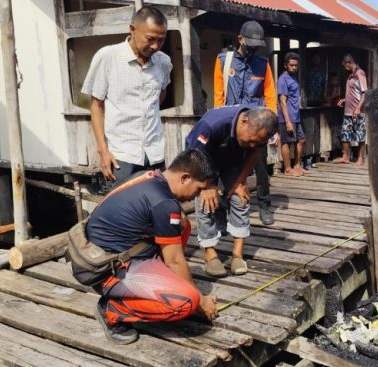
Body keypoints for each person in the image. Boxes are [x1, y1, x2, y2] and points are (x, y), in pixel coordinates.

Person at [85, 149, 219, 345]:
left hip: (111, 253)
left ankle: (163, 284)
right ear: (184, 178)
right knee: (185, 303)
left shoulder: (150, 176)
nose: (196, 197)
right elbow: (174, 260)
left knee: (182, 225)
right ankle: (112, 310)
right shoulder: (164, 202)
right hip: (105, 270)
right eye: (199, 189)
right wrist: (201, 301)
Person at [82, 6, 172, 187]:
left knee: (153, 209)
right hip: (121, 156)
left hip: (154, 154)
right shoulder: (108, 56)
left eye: (161, 41)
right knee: (123, 212)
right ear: (132, 29)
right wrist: (103, 151)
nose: (155, 46)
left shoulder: (163, 62)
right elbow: (96, 105)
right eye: (150, 39)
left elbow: (160, 96)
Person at [186, 106, 278, 277]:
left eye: (257, 142)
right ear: (244, 122)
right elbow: (193, 156)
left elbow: (254, 154)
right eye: (251, 140)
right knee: (206, 201)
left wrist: (240, 182)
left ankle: (238, 254)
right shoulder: (211, 125)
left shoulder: (257, 133)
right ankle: (210, 254)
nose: (252, 145)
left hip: (232, 160)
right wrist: (206, 186)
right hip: (201, 161)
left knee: (240, 197)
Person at [213, 20, 277, 226]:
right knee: (223, 168)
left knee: (261, 168)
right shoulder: (223, 61)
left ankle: (265, 206)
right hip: (232, 125)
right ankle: (222, 211)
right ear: (240, 39)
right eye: (250, 43)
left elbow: (270, 96)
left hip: (257, 126)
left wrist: (272, 128)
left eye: (257, 44)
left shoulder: (263, 63)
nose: (253, 48)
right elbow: (218, 95)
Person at [277, 52, 307, 176]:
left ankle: (297, 165)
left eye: (296, 65)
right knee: (287, 142)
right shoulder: (283, 79)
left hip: (296, 116)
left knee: (301, 140)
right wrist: (288, 121)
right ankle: (288, 169)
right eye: (291, 65)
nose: (294, 67)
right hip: (287, 117)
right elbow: (282, 101)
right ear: (285, 65)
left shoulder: (294, 77)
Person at [335, 54, 367, 166]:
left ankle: (360, 158)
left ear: (349, 63)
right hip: (348, 111)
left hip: (358, 111)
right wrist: (344, 99)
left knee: (360, 134)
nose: (344, 68)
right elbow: (354, 92)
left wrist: (358, 108)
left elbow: (364, 93)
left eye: (345, 65)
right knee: (345, 133)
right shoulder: (351, 75)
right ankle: (345, 157)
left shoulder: (360, 74)